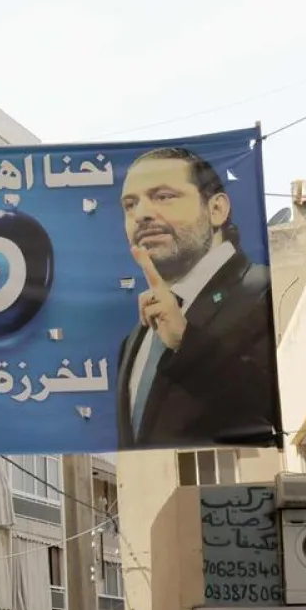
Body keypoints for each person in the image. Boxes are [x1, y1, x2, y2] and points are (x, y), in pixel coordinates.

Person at [114, 146, 279, 450]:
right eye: (130, 204)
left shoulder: (267, 290)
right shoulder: (136, 340)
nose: (142, 214)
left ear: (216, 209)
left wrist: (186, 341)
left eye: (164, 196)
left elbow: (282, 409)